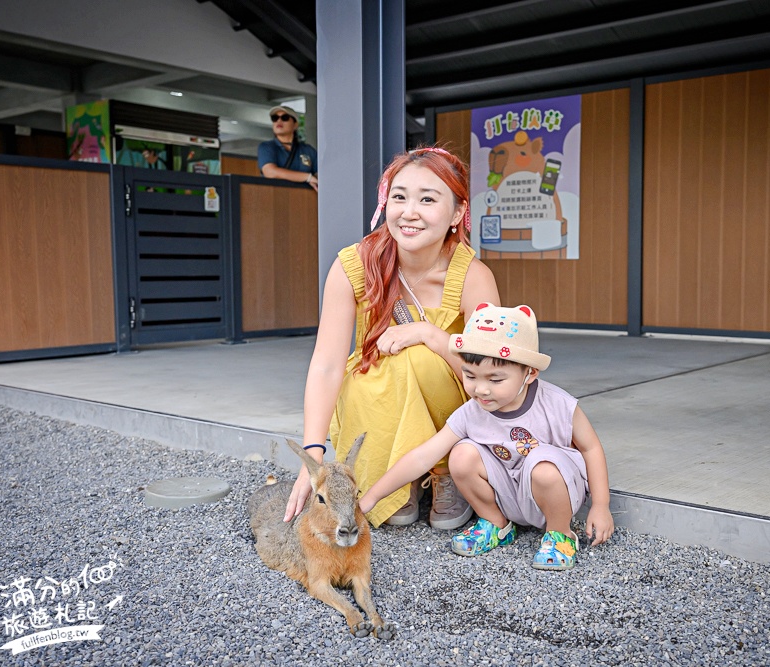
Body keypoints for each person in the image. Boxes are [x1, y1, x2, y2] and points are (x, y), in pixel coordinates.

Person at [284, 147, 501, 530]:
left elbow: (492, 373)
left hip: (450, 398)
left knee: (418, 356)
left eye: (427, 199)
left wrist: (429, 335)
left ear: (456, 213)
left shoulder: (472, 275)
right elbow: (327, 364)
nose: (409, 211)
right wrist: (313, 455)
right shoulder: (354, 265)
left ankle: (443, 469)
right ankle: (398, 476)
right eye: (399, 197)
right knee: (373, 370)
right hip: (378, 399)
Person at [358, 302, 614, 570]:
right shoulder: (471, 412)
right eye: (470, 376)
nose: (481, 389)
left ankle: (560, 534)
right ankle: (496, 524)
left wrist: (601, 504)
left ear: (529, 373)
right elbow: (424, 457)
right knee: (461, 454)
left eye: (495, 380)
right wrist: (373, 496)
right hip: (508, 496)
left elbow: (591, 448)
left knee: (543, 465)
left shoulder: (558, 404)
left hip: (551, 492)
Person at [257, 105, 318, 191]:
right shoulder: (266, 147)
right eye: (275, 118)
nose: (279, 121)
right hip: (274, 197)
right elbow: (270, 172)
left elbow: (320, 176)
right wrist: (307, 177)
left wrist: (314, 179)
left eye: (284, 118)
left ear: (295, 124)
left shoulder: (308, 150)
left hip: (304, 198)